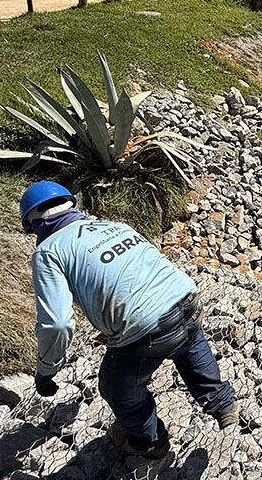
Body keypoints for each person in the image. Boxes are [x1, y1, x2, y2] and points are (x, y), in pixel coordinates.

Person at [21, 181, 238, 458]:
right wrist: (113, 323)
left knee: (116, 388)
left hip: (148, 332)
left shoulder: (49, 252)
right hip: (187, 300)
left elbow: (57, 324)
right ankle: (223, 404)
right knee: (188, 342)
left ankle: (149, 442)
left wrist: (46, 370)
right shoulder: (114, 226)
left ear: (35, 224)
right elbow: (138, 273)